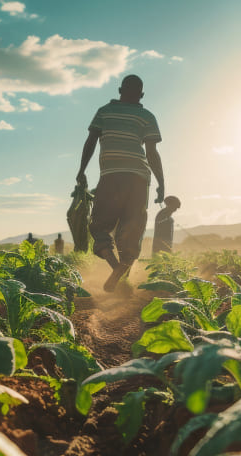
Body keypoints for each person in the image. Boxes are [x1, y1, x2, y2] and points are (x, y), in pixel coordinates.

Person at [76, 74, 165, 292]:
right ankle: (121, 273)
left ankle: (116, 268)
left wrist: (81, 170)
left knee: (99, 226)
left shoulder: (104, 112)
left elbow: (91, 142)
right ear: (141, 94)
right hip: (138, 178)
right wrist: (162, 183)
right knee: (132, 228)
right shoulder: (147, 116)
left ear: (119, 90)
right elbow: (152, 153)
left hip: (111, 176)